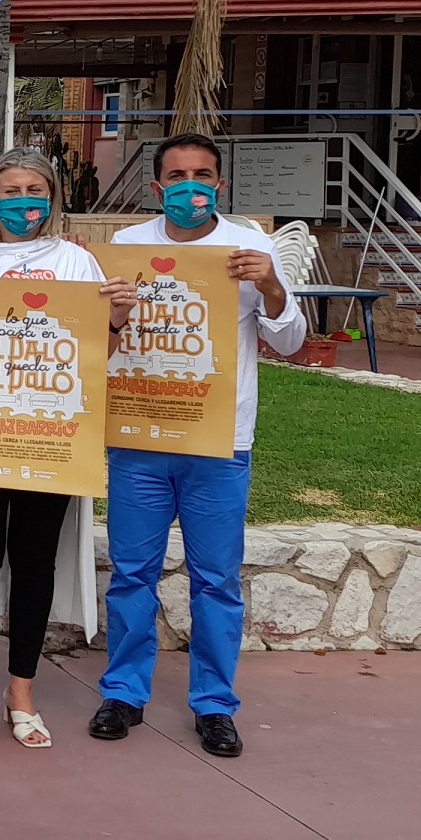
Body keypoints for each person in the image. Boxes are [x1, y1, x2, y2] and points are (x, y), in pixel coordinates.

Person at [92, 132, 304, 758]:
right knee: (133, 572)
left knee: (216, 579)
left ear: (220, 183)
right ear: (157, 188)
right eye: (178, 177)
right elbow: (93, 334)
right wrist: (114, 312)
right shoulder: (125, 248)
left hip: (220, 440)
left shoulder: (251, 246)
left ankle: (215, 704)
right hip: (138, 434)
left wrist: (271, 288)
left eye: (203, 175)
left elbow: (291, 342)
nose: (191, 187)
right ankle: (124, 693)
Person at [0, 150, 134, 749]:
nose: (22, 201)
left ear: (52, 195)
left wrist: (115, 319)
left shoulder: (77, 262)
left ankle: (23, 692)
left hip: (52, 430)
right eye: (10, 189)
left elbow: (100, 355)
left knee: (36, 560)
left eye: (34, 189)